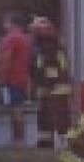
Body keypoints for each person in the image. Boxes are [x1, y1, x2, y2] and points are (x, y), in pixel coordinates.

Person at [29, 17, 73, 150]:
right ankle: (46, 142)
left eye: (35, 31)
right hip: (48, 88)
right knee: (45, 117)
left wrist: (49, 84)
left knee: (59, 117)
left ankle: (67, 143)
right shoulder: (43, 46)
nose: (33, 34)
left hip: (55, 89)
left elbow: (54, 67)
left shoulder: (50, 46)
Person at [0, 14, 33, 146]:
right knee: (18, 106)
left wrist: (1, 77)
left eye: (6, 22)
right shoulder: (25, 38)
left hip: (12, 78)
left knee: (15, 108)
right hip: (22, 77)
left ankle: (18, 139)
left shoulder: (11, 38)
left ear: (11, 23)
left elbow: (6, 58)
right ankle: (18, 138)